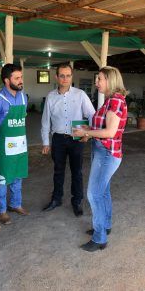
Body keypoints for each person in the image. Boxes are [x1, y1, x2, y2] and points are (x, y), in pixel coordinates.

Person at [73, 66, 128, 252]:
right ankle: (105, 225)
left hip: (107, 152)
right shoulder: (110, 100)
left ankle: (99, 238)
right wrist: (87, 131)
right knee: (102, 192)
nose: (96, 83)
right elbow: (102, 127)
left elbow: (110, 132)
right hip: (103, 150)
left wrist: (87, 133)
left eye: (100, 79)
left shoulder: (115, 102)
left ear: (110, 80)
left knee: (94, 194)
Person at [41, 64, 95, 216]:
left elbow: (92, 115)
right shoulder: (51, 96)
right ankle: (56, 199)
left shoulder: (80, 94)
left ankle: (76, 201)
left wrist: (88, 133)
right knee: (58, 171)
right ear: (56, 77)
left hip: (76, 139)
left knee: (76, 171)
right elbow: (45, 121)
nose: (65, 79)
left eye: (68, 75)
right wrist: (46, 142)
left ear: (72, 77)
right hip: (58, 139)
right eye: (62, 76)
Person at [0, 63, 29, 225]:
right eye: (17, 78)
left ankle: (15, 204)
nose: (21, 81)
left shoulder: (23, 97)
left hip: (20, 146)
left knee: (17, 176)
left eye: (21, 77)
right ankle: (1, 210)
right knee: (1, 179)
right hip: (3, 148)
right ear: (7, 80)